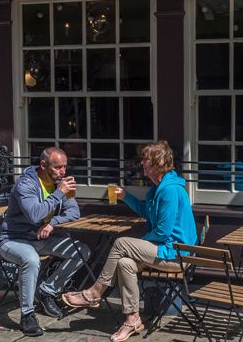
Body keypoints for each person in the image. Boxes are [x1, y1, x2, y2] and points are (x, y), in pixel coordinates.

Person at [62, 141, 197, 342]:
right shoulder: (156, 188)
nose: (141, 163)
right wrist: (126, 197)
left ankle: (95, 292)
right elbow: (147, 212)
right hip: (163, 250)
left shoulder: (170, 190)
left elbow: (162, 232)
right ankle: (132, 318)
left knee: (122, 243)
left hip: (176, 254)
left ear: (158, 162)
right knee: (125, 263)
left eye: (145, 159)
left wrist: (138, 244)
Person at [0, 147, 90, 337]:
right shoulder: (26, 184)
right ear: (43, 165)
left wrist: (52, 224)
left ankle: (47, 290)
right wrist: (59, 193)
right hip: (13, 240)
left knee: (82, 251)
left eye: (64, 167)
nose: (63, 172)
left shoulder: (60, 183)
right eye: (58, 167)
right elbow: (34, 214)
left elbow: (74, 212)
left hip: (39, 239)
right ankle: (27, 315)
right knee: (31, 259)